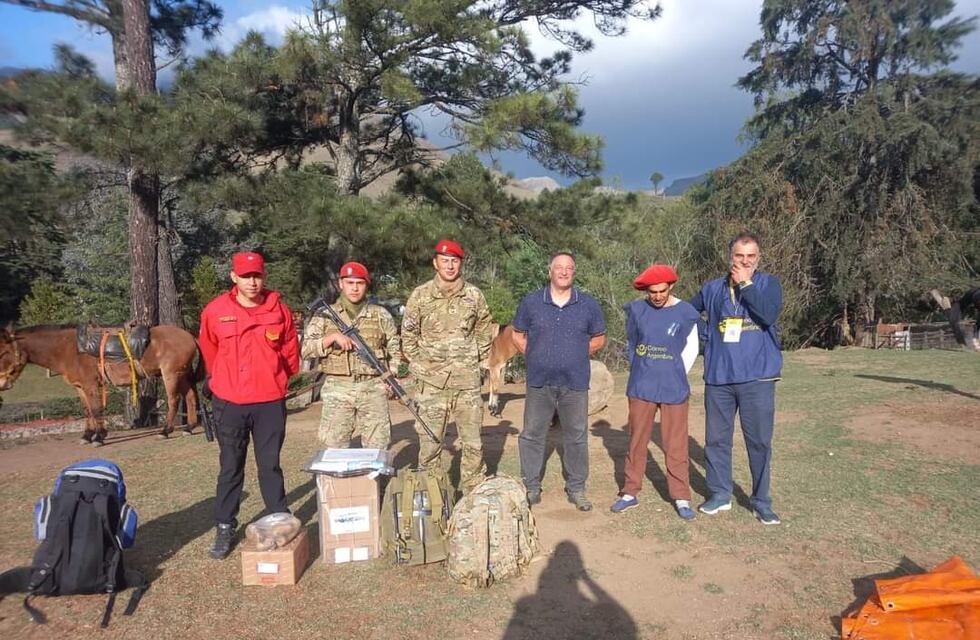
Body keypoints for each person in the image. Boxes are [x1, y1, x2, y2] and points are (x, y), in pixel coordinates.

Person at [199, 251, 300, 559]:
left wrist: (275, 379)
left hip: (269, 401)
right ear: (234, 277)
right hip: (230, 402)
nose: (252, 282)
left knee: (270, 464)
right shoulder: (216, 310)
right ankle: (225, 526)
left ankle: (279, 519)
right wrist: (222, 381)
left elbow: (290, 351)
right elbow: (209, 350)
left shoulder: (278, 309)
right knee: (231, 466)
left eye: (257, 276)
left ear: (263, 276)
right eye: (245, 276)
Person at [690, 232, 783, 525]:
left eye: (750, 256)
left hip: (758, 377)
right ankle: (720, 494)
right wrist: (707, 335)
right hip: (720, 377)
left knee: (759, 442)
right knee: (717, 440)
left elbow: (768, 315)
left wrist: (745, 284)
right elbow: (687, 314)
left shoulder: (769, 284)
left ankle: (761, 502)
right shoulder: (712, 288)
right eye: (739, 256)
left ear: (759, 258)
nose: (744, 261)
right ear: (730, 257)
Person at [512, 252, 606, 511]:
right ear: (550, 271)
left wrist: (575, 354)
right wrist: (535, 355)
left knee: (576, 436)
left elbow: (599, 338)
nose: (564, 272)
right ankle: (531, 486)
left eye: (569, 268)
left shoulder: (587, 304)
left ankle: (576, 488)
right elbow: (518, 335)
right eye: (559, 268)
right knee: (532, 435)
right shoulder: (532, 302)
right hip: (539, 381)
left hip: (575, 382)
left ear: (574, 272)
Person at [401, 239, 495, 492]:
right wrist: (423, 366)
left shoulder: (474, 295)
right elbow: (408, 336)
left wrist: (473, 358)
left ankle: (473, 493)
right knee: (430, 443)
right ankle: (432, 496)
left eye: (455, 261)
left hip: (467, 382)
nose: (450, 266)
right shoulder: (420, 295)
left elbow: (485, 328)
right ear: (436, 263)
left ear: (460, 264)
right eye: (445, 260)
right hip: (431, 385)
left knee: (473, 443)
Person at [611, 264, 700, 520]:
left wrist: (673, 371)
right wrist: (642, 368)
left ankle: (681, 496)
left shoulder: (686, 312)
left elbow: (692, 348)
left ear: (671, 286)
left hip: (674, 386)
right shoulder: (637, 310)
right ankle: (630, 492)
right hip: (642, 385)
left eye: (662, 291)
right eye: (652, 292)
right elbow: (632, 343)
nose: (658, 296)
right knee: (637, 440)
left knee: (676, 443)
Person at [301, 262, 400, 450]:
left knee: (377, 447)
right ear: (341, 283)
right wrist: (331, 338)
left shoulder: (380, 314)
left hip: (373, 387)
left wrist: (392, 374)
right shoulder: (324, 315)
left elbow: (394, 346)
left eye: (360, 283)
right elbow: (306, 349)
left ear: (366, 285)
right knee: (335, 447)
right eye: (350, 283)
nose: (355, 288)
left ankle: (373, 471)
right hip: (338, 387)